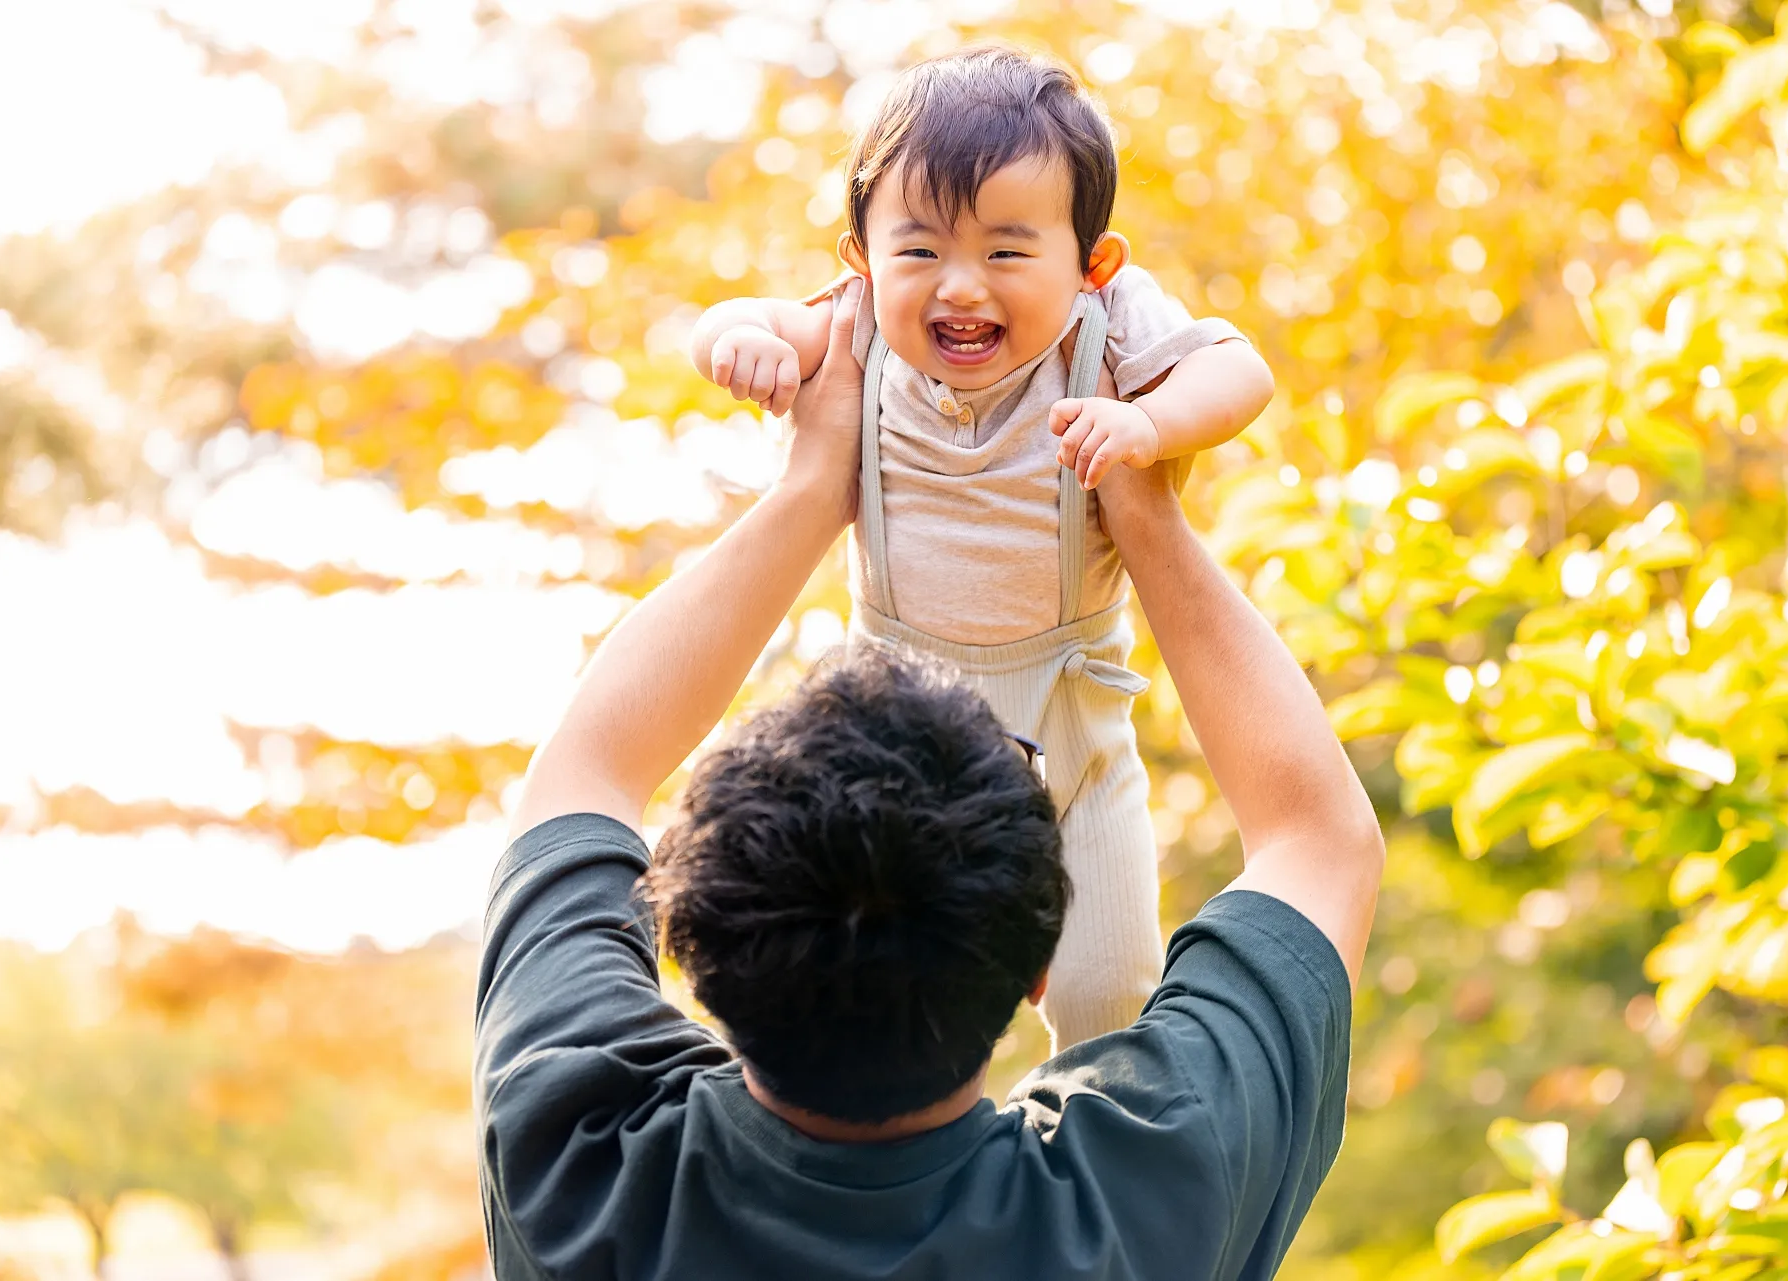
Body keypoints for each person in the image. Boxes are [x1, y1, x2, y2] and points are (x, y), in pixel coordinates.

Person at [475, 265, 1386, 1277]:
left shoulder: (576, 1168)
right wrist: (1146, 519)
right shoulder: (1136, 1202)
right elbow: (1319, 841)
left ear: (690, 938)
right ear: (1041, 967)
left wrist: (811, 489)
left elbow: (585, 773)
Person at [686, 47, 1277, 1048]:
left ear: (1093, 265)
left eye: (1007, 253)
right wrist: (740, 340)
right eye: (920, 252)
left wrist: (1149, 425)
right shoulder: (859, 322)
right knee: (882, 990)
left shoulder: (1108, 330)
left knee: (1111, 990)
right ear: (863, 260)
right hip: (896, 722)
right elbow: (736, 320)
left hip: (1070, 714)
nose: (961, 288)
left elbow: (1241, 371)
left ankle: (1078, 1134)